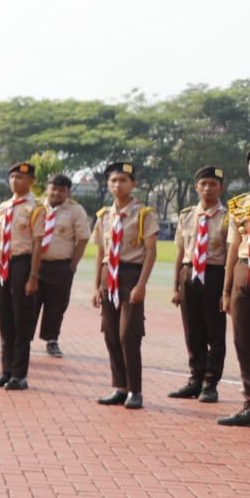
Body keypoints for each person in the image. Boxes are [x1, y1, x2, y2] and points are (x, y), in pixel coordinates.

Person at [90, 161, 158, 409]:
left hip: (131, 275)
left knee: (129, 335)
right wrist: (97, 285)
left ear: (133, 184)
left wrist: (141, 285)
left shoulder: (143, 214)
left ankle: (135, 391)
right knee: (110, 335)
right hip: (110, 276)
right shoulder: (104, 216)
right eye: (113, 180)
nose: (118, 185)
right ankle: (120, 387)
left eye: (123, 180)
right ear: (108, 184)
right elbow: (100, 253)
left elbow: (151, 252)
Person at [169, 166, 228, 402]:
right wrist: (175, 287)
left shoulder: (228, 217)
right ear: (196, 187)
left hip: (215, 274)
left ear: (221, 188)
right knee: (192, 330)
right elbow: (180, 252)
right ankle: (195, 379)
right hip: (189, 273)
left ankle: (210, 383)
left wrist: (227, 290)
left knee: (215, 332)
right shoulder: (186, 216)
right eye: (203, 184)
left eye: (213, 184)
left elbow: (231, 252)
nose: (207, 188)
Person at [218, 145, 250, 427]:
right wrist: (226, 289)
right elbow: (233, 247)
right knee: (244, 340)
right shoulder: (239, 204)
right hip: (244, 270)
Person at [0, 162, 41, 391]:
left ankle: (19, 374)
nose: (15, 181)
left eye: (20, 177)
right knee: (5, 320)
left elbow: (38, 244)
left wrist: (33, 275)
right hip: (4, 265)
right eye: (12, 177)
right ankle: (6, 370)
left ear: (31, 181)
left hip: (23, 263)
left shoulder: (36, 208)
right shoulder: (4, 207)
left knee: (22, 321)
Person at [27, 174, 91, 358]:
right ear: (47, 188)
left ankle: (51, 340)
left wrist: (72, 264)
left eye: (62, 190)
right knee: (30, 303)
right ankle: (25, 339)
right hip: (35, 265)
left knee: (56, 306)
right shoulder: (36, 206)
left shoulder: (75, 210)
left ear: (68, 192)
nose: (56, 193)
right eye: (53, 188)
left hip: (60, 266)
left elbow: (83, 238)